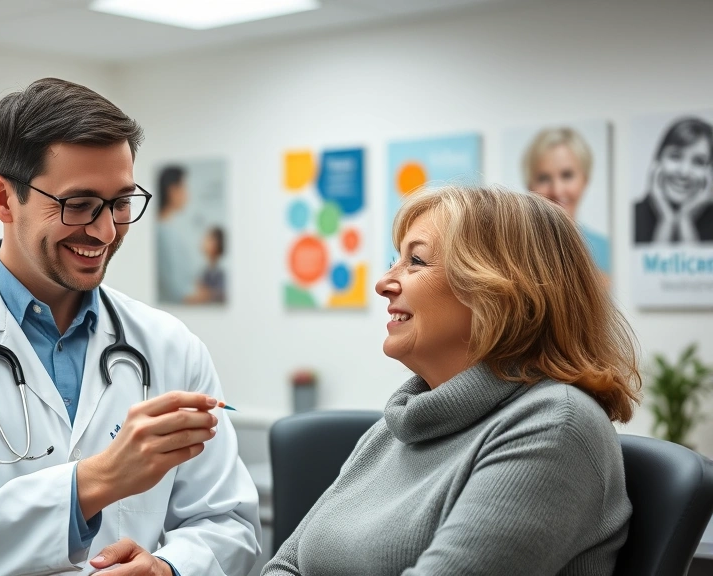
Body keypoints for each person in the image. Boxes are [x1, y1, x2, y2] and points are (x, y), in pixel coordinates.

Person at [0, 78, 260, 576]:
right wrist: (95, 482)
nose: (106, 230)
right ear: (4, 200)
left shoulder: (169, 345)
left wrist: (168, 568)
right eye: (78, 203)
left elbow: (230, 524)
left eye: (119, 202)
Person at [263, 185, 641, 576]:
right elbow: (285, 566)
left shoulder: (555, 426)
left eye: (416, 261)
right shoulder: (400, 424)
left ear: (501, 290)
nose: (383, 283)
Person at [521, 127, 610, 274]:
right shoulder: (515, 251)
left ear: (585, 180)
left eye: (567, 175)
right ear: (529, 185)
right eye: (543, 178)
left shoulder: (606, 251)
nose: (557, 190)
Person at [634, 117, 713, 244]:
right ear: (658, 161)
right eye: (675, 157)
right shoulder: (633, 217)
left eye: (698, 162)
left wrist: (685, 220)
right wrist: (667, 220)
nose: (684, 172)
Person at [156, 165, 199, 303]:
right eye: (184, 187)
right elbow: (176, 290)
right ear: (172, 190)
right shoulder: (163, 233)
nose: (187, 194)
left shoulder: (170, 229)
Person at [184, 226, 226, 304]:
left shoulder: (222, 271)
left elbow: (220, 294)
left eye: (208, 239)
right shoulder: (206, 269)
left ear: (216, 243)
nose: (203, 241)